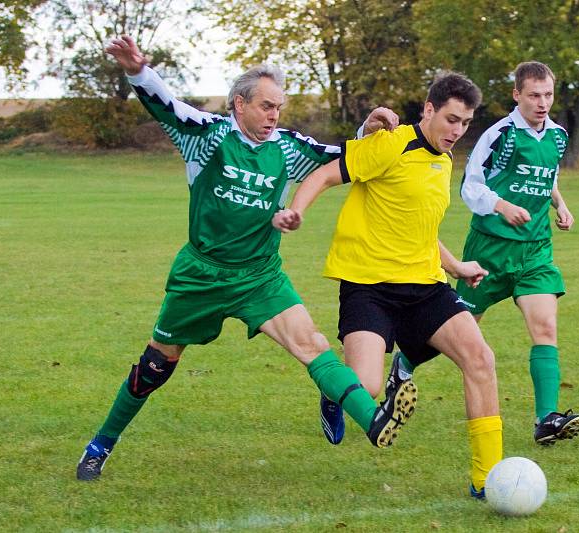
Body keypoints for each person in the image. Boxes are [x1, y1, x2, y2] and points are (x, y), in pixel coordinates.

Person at [76, 35, 415, 481]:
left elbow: (338, 159)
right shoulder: (206, 137)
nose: (275, 115)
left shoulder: (287, 146)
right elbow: (166, 105)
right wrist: (137, 69)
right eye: (267, 106)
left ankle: (372, 419)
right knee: (156, 367)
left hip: (260, 276)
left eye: (279, 108)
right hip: (201, 274)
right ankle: (103, 441)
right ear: (240, 104)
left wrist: (366, 132)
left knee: (311, 344)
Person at [273, 72, 503, 499]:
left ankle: (486, 479)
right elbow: (324, 175)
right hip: (369, 286)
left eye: (466, 123)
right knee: (368, 388)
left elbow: (418, 225)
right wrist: (296, 211)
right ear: (429, 109)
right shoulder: (391, 144)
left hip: (425, 286)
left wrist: (454, 265)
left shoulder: (443, 160)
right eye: (451, 119)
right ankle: (334, 392)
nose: (457, 131)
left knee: (480, 359)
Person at [394, 61, 579, 447]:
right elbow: (470, 186)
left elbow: (547, 177)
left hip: (535, 251)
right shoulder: (501, 135)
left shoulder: (559, 136)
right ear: (517, 95)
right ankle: (403, 364)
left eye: (548, 94)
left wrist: (559, 205)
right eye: (534, 95)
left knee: (545, 327)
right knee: (458, 330)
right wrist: (502, 207)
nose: (542, 102)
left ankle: (546, 418)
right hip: (489, 252)